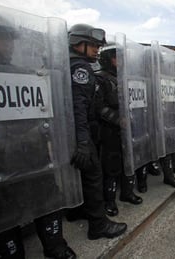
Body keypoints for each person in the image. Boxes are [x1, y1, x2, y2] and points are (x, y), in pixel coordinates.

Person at [0, 10, 76, 259]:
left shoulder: (25, 76)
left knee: (48, 202)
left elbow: (47, 116)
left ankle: (56, 246)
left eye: (10, 38)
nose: (8, 44)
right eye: (0, 37)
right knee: (3, 218)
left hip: (35, 158)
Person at [67, 23, 127, 239]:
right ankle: (98, 225)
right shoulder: (81, 69)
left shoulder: (70, 65)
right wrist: (83, 142)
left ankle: (78, 210)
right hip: (81, 132)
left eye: (97, 45)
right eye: (91, 45)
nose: (96, 49)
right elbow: (79, 108)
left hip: (73, 132)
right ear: (77, 43)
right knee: (94, 176)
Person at [94, 45, 143, 217]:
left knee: (128, 160)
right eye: (116, 57)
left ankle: (127, 192)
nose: (120, 61)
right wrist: (118, 120)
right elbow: (97, 107)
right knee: (111, 166)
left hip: (128, 129)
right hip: (109, 130)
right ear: (107, 59)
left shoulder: (125, 78)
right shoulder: (100, 79)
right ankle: (109, 201)